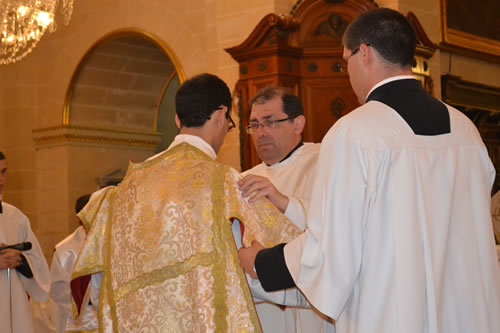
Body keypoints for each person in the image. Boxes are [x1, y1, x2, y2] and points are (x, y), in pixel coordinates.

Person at [239, 8, 500, 333]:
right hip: (465, 315)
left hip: (392, 316)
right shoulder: (465, 130)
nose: (346, 72)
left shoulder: (355, 132)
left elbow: (333, 250)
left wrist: (260, 263)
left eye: (344, 61)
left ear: (363, 53)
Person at [71, 73, 302, 332]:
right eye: (229, 123)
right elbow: (293, 260)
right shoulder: (224, 185)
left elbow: (95, 290)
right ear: (221, 115)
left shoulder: (119, 193)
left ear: (178, 119)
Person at [238, 87, 333, 332]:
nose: (261, 132)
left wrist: (283, 201)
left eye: (270, 122)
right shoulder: (244, 179)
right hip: (262, 311)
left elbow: (333, 225)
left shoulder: (325, 159)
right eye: (254, 125)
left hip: (311, 311)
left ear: (298, 124)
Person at [0, 151, 51, 333]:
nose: (1, 179)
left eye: (4, 172)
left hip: (14, 309)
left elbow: (39, 266)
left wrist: (19, 260)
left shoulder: (16, 217)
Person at [49, 194, 98, 332]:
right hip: (78, 322)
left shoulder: (109, 242)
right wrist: (87, 300)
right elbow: (57, 289)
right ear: (80, 217)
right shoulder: (65, 250)